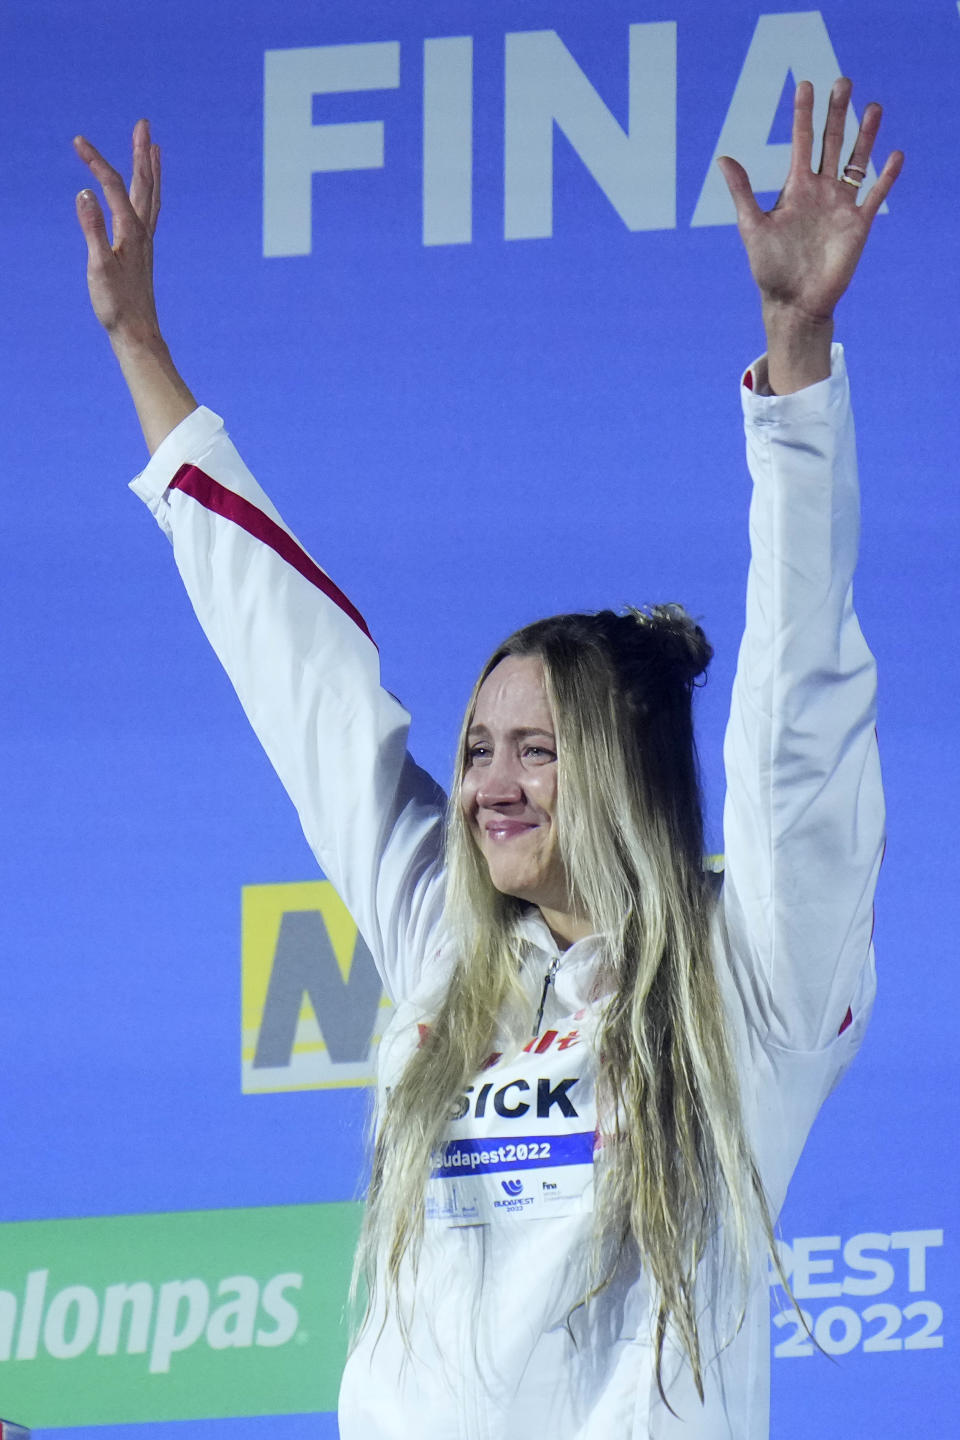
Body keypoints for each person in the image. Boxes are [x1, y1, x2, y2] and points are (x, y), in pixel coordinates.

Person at [74, 78, 901, 1439]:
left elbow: (799, 720)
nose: (485, 788)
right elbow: (305, 682)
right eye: (474, 750)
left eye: (534, 751)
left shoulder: (747, 976)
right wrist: (143, 354)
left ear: (625, 769)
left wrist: (797, 363)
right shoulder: (442, 947)